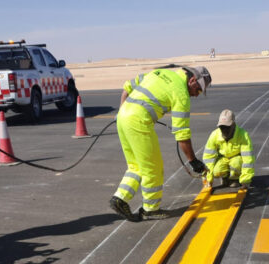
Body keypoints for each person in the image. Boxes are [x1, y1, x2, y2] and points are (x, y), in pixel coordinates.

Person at [109, 65, 211, 221]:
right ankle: (150, 209)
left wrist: (123, 112)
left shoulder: (161, 72)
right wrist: (193, 161)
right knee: (153, 167)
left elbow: (127, 86)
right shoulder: (181, 94)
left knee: (136, 165)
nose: (196, 95)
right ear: (192, 80)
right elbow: (181, 133)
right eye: (198, 90)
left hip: (122, 118)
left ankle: (120, 198)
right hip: (138, 122)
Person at [202, 109, 254, 190]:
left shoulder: (243, 135)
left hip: (237, 159)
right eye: (221, 127)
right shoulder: (214, 135)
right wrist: (208, 179)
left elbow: (248, 160)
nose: (224, 129)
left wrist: (246, 180)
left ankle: (235, 179)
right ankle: (225, 178)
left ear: (233, 125)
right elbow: (208, 158)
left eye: (227, 127)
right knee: (216, 171)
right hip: (223, 158)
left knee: (236, 163)